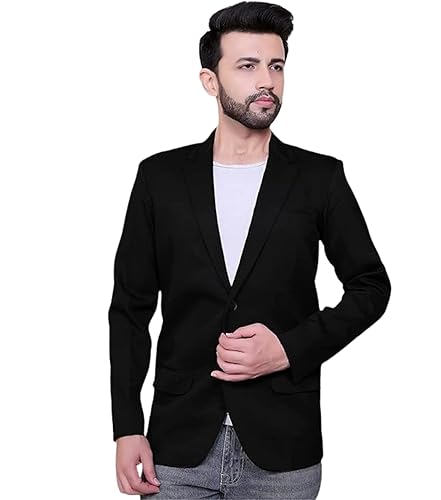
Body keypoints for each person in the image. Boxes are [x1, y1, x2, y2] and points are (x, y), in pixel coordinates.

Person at [109, 1, 391, 498]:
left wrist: (289, 349)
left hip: (283, 452)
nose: (267, 81)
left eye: (276, 66)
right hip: (176, 447)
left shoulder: (319, 178)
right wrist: (127, 426)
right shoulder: (160, 178)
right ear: (210, 81)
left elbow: (371, 287)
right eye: (247, 66)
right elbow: (130, 308)